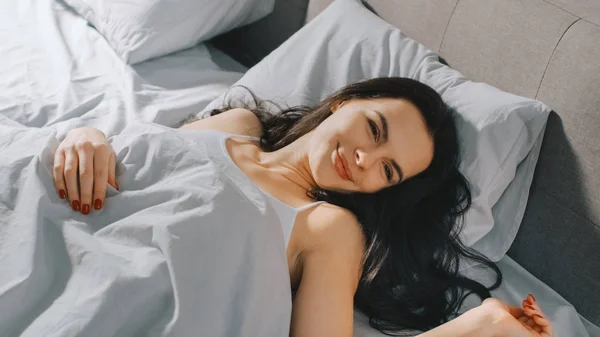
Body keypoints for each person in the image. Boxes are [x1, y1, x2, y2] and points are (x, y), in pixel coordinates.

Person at [52, 77, 553, 337]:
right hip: (54, 215)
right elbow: (144, 168)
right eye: (374, 131)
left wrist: (481, 328)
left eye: (387, 170)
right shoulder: (237, 124)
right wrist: (87, 133)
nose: (363, 159)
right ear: (345, 101)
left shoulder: (329, 228)